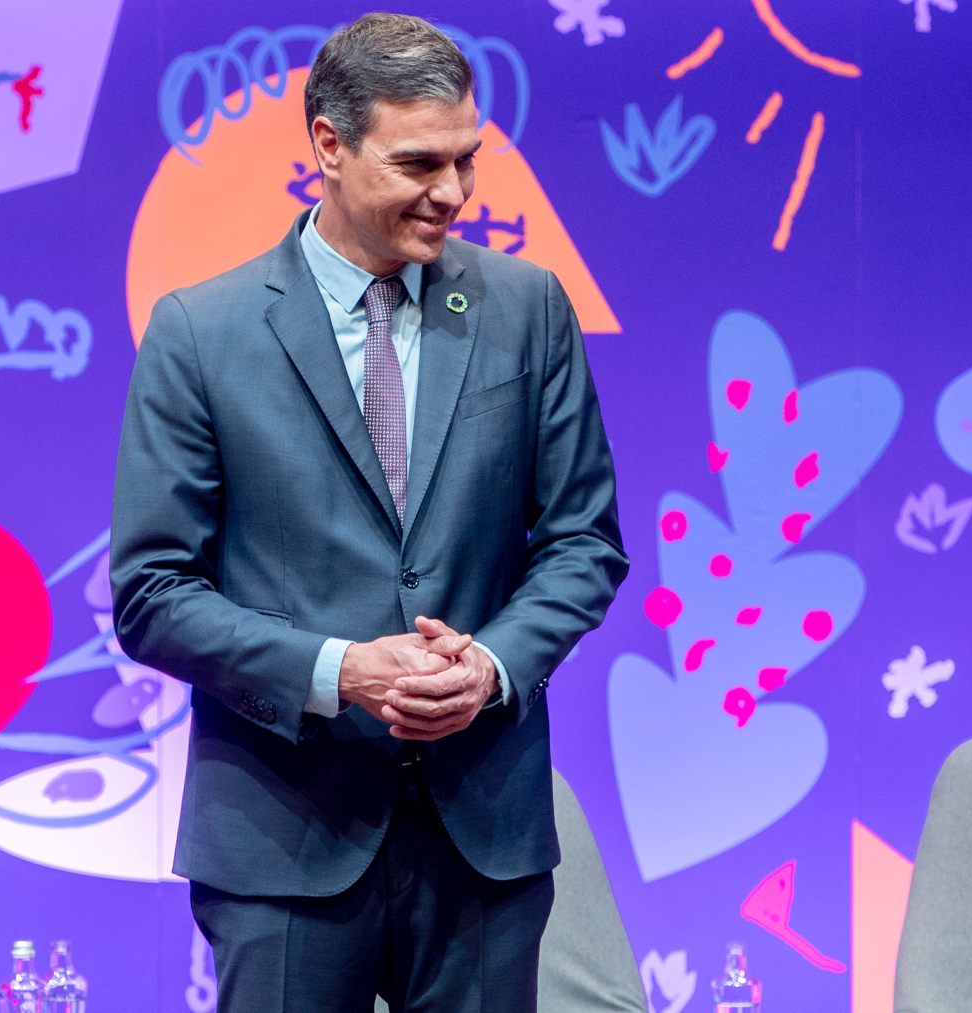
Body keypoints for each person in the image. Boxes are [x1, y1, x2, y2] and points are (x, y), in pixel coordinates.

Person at [111, 13, 628, 1012]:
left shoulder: (529, 308)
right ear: (328, 145)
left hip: (484, 836)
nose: (453, 193)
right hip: (282, 838)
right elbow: (151, 592)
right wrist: (339, 669)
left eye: (467, 161)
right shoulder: (200, 333)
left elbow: (583, 541)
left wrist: (490, 662)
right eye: (419, 162)